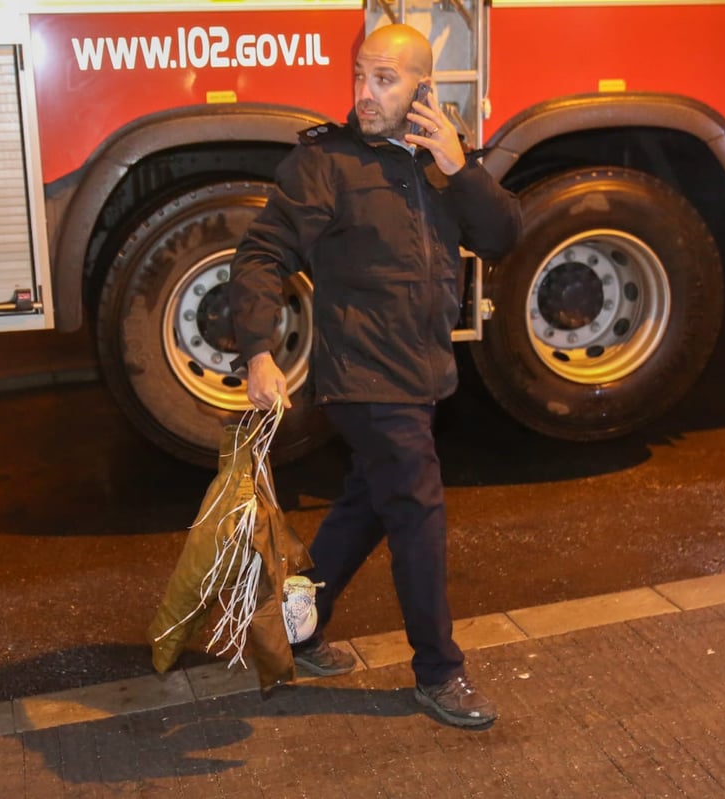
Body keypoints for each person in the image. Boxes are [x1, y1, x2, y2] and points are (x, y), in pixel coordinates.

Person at [228, 23, 521, 727]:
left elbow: (503, 236)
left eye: (384, 80)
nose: (365, 93)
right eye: (361, 75)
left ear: (424, 87)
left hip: (422, 374)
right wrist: (258, 350)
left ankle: (292, 628)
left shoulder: (436, 163)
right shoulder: (325, 165)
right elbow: (261, 255)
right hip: (364, 377)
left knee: (366, 505)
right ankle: (439, 671)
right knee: (417, 511)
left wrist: (463, 169)